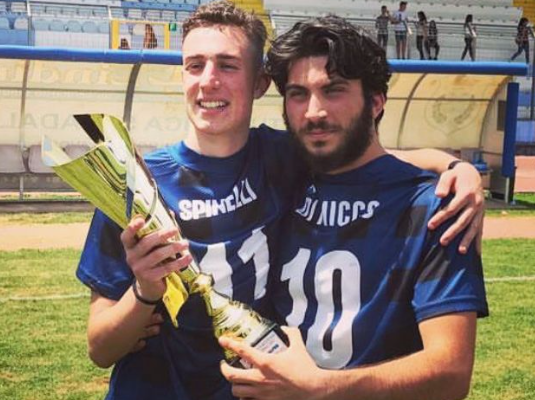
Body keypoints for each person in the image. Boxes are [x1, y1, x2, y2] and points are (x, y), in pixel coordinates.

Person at [76, 2, 485, 400]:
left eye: (228, 65)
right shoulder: (137, 186)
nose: (208, 80)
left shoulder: (282, 158)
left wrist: (456, 168)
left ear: (260, 84)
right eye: (195, 65)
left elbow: (372, 158)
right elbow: (100, 349)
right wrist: (145, 291)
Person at [220, 15, 488, 400]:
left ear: (376, 101)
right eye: (298, 93)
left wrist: (321, 388)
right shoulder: (283, 175)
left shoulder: (435, 207)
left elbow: (451, 374)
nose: (313, 111)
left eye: (334, 90)